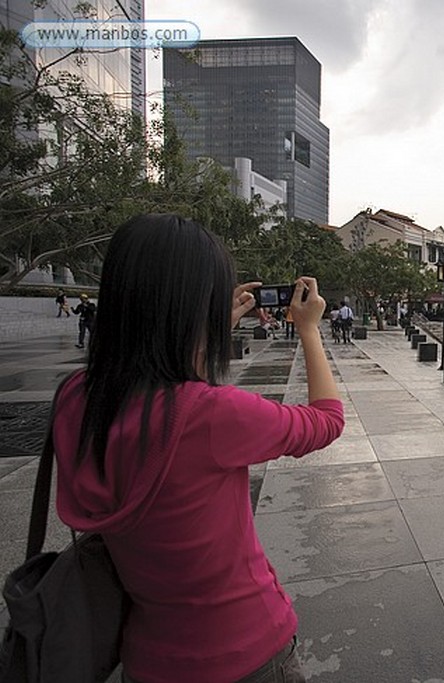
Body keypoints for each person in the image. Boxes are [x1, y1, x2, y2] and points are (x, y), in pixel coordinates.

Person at [51, 214, 344, 683]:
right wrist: (310, 330)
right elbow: (327, 421)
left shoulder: (74, 397)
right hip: (245, 648)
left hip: (149, 658)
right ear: (194, 309)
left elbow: (170, 396)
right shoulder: (215, 416)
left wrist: (207, 325)